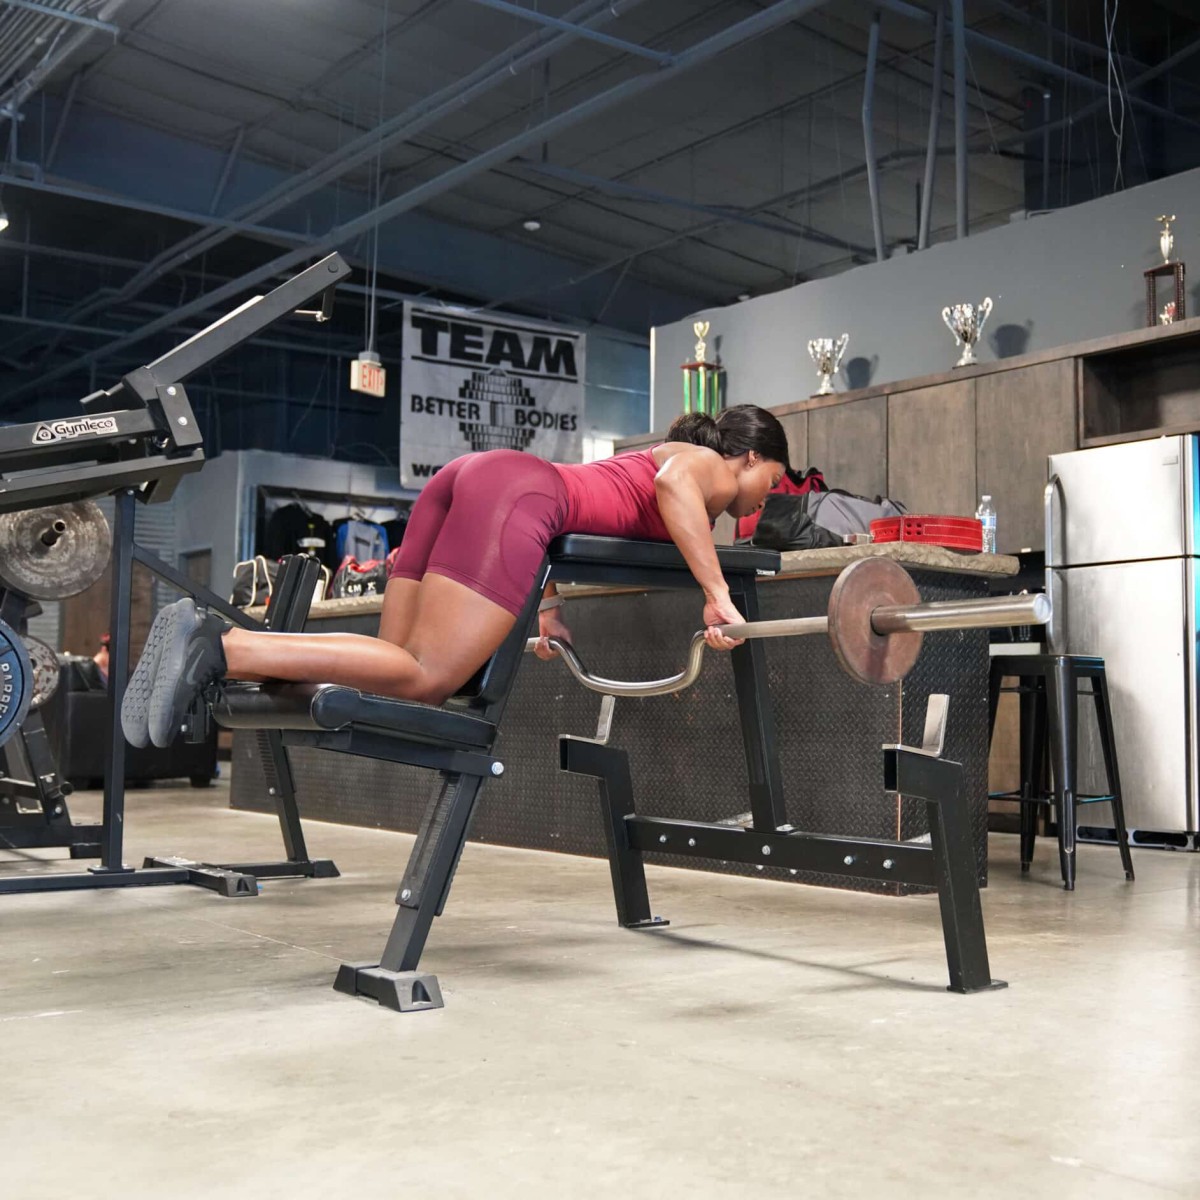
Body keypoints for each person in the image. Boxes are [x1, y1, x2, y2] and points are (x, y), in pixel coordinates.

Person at [122, 405, 789, 749]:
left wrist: (548, 609)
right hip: (516, 494)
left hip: (477, 481)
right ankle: (221, 647)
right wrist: (717, 595)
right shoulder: (704, 465)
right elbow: (670, 489)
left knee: (394, 669)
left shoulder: (671, 470)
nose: (769, 496)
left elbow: (564, 525)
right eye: (774, 480)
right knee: (428, 676)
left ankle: (217, 656)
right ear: (751, 456)